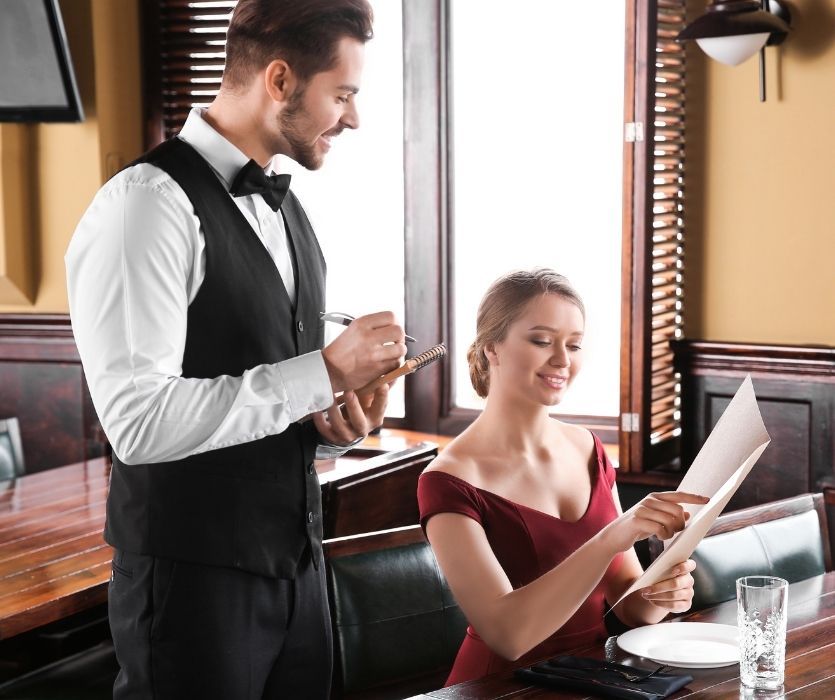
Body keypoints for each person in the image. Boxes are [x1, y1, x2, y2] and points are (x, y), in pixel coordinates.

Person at [65, 1, 406, 698]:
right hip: (190, 584)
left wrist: (334, 424)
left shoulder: (290, 208)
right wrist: (323, 370)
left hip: (297, 570)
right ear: (279, 80)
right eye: (342, 94)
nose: (354, 118)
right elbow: (136, 423)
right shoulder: (144, 206)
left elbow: (270, 389)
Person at [417, 269, 708, 685]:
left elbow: (627, 605)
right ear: (490, 349)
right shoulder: (448, 480)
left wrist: (661, 593)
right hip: (500, 688)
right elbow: (508, 635)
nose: (562, 359)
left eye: (574, 345)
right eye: (541, 340)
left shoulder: (588, 448)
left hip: (591, 678)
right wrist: (611, 537)